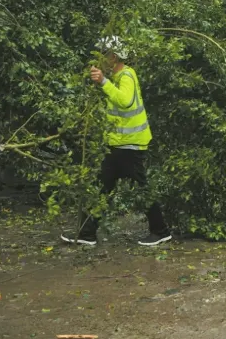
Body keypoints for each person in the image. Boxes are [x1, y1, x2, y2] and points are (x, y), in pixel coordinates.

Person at [61, 36, 172, 247]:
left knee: (141, 188)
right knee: (102, 188)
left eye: (103, 54)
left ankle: (161, 231)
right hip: (117, 144)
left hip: (130, 145)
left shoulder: (126, 75)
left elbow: (126, 101)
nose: (100, 59)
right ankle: (87, 233)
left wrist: (104, 82)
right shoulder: (116, 76)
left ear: (113, 56)